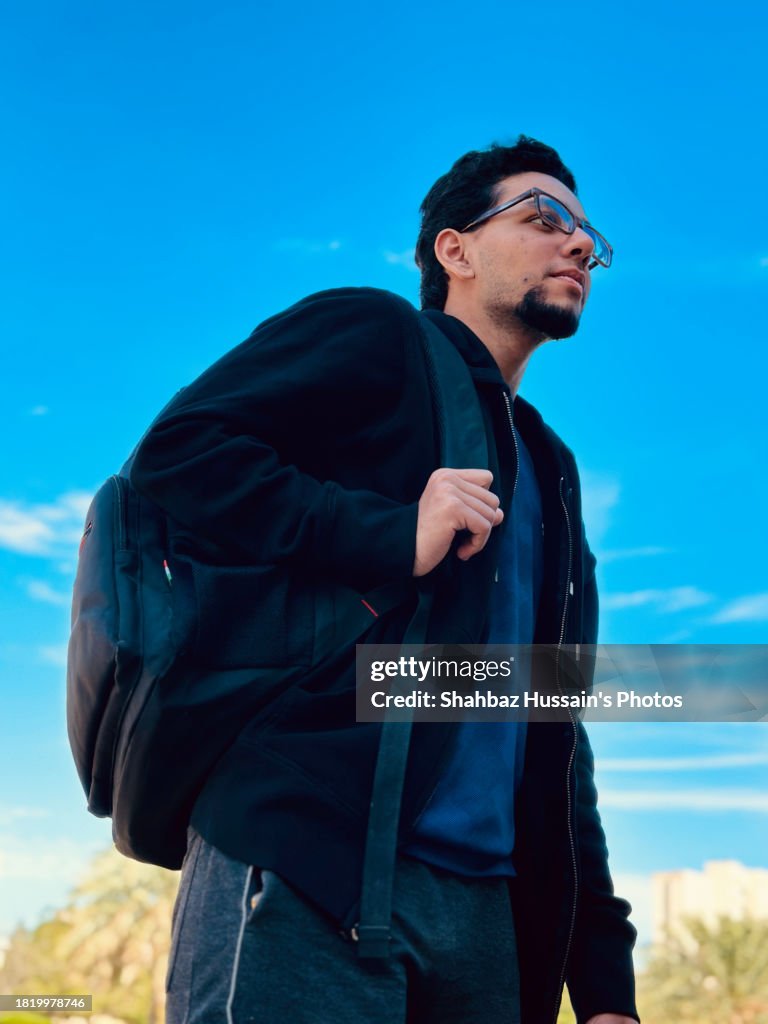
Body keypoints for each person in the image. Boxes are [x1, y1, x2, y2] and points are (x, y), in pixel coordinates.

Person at [130, 136, 639, 1024]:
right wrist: (389, 532)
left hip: (489, 925)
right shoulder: (376, 336)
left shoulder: (554, 472)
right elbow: (177, 457)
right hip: (313, 865)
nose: (578, 246)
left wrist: (600, 980)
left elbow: (554, 730)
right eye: (545, 218)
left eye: (589, 236)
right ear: (456, 249)